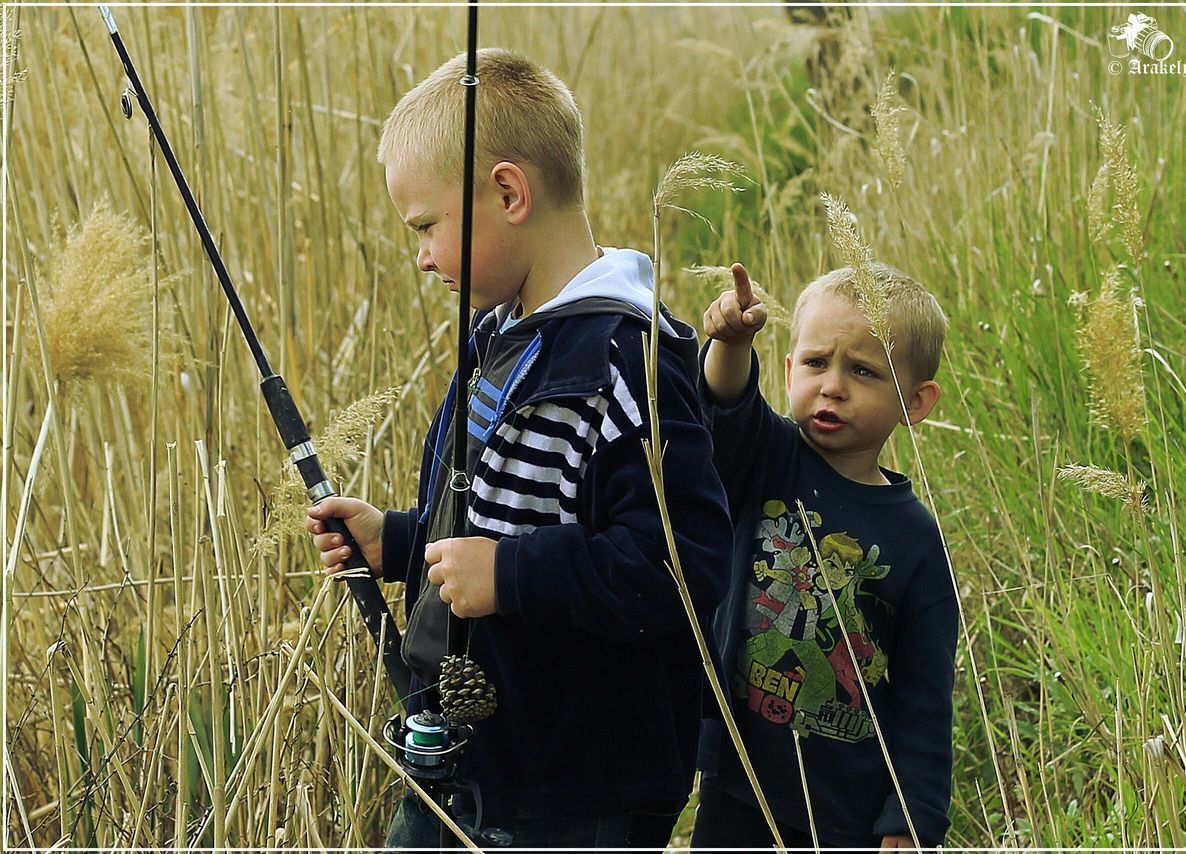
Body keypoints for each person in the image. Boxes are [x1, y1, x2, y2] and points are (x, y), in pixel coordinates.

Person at [304, 48, 731, 849]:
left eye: (426, 227)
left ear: (508, 192)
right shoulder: (500, 335)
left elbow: (681, 565)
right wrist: (398, 540)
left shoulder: (623, 364)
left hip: (578, 786)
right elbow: (488, 511)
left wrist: (508, 576)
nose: (422, 255)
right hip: (472, 761)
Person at [691, 262, 958, 850]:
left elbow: (925, 699)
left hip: (847, 815)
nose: (832, 385)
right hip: (740, 784)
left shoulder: (917, 540)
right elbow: (724, 406)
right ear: (788, 370)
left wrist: (910, 819)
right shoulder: (767, 456)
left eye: (862, 371)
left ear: (915, 402)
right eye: (815, 363)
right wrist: (731, 343)